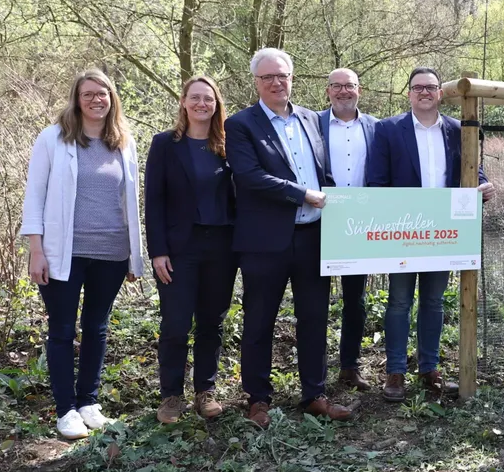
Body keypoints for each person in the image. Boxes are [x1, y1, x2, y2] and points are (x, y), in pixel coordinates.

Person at [226, 47, 352, 428]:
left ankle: (314, 394)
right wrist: (302, 194)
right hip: (265, 241)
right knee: (259, 320)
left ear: (292, 78)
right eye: (268, 77)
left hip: (313, 236)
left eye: (283, 76)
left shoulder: (312, 119)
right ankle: (258, 399)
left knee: (314, 317)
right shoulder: (241, 124)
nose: (277, 82)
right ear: (257, 83)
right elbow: (248, 176)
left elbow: (324, 172)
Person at [20, 69, 143, 440]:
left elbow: (130, 202)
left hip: (111, 252)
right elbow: (35, 196)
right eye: (88, 94)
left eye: (102, 93)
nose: (96, 100)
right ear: (76, 99)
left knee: (97, 327)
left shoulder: (122, 141)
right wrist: (36, 250)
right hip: (64, 254)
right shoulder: (54, 138)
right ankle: (65, 410)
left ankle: (88, 402)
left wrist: (134, 255)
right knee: (61, 330)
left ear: (112, 98)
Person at [366, 67, 493, 403]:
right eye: (417, 87)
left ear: (440, 93)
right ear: (408, 93)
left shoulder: (457, 129)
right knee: (398, 302)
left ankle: (429, 368)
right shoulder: (388, 129)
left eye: (431, 87)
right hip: (402, 231)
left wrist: (480, 184)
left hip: (444, 233)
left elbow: (471, 168)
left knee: (434, 302)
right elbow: (376, 181)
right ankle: (395, 371)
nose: (424, 92)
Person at [146, 75, 238, 424]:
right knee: (175, 322)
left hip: (222, 247)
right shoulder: (165, 144)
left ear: (217, 105)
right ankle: (171, 396)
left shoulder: (229, 144)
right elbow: (153, 201)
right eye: (195, 98)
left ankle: (205, 391)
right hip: (179, 249)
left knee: (211, 323)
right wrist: (158, 250)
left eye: (209, 99)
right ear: (183, 102)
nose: (202, 104)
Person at [319, 68, 379, 392]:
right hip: (318, 222)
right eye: (338, 86)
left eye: (350, 86)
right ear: (327, 90)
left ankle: (349, 367)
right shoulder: (311, 124)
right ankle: (314, 372)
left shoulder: (375, 127)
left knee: (355, 301)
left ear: (360, 90)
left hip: (359, 226)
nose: (344, 91)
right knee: (315, 301)